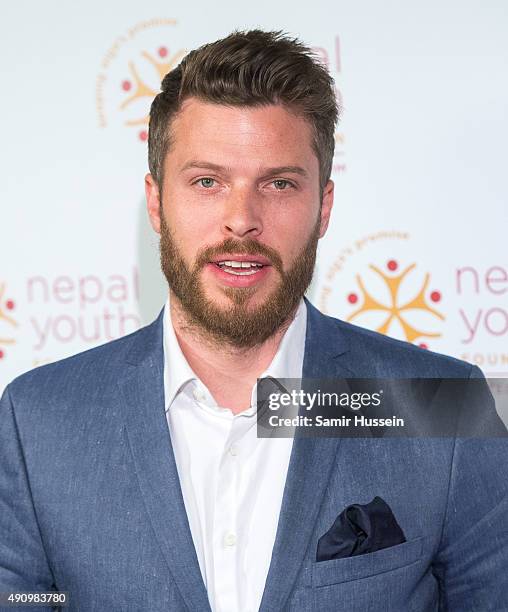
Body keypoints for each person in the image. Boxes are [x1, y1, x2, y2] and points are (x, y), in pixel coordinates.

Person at [0, 29, 506, 612]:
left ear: (325, 207)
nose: (241, 220)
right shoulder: (38, 421)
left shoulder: (441, 405)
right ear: (158, 202)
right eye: (207, 182)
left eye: (279, 183)